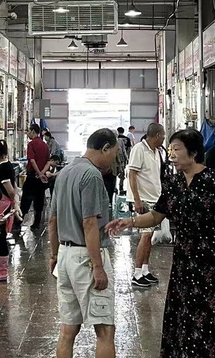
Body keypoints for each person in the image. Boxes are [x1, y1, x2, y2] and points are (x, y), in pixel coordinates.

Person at [107, 129, 215, 358]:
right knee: (182, 320)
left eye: (176, 149)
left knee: (206, 323)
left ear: (193, 152)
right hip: (184, 264)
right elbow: (156, 216)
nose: (171, 154)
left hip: (211, 265)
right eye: (170, 149)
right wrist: (129, 221)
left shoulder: (214, 181)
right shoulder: (173, 183)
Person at [49, 128, 121, 358]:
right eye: (114, 153)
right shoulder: (91, 175)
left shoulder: (65, 172)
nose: (114, 158)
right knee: (105, 330)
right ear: (105, 148)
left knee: (68, 329)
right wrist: (98, 266)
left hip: (64, 256)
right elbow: (89, 224)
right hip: (85, 258)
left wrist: (53, 256)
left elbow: (52, 221)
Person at [127, 122, 166, 289]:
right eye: (163, 135)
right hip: (143, 200)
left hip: (154, 199)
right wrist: (136, 200)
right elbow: (132, 175)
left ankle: (144, 269)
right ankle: (136, 273)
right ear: (157, 135)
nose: (164, 138)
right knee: (145, 235)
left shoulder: (157, 152)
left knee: (149, 237)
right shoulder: (139, 150)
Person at [0, 139, 21, 281]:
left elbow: (10, 190)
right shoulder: (6, 165)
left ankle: (1, 271)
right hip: (3, 205)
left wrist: (15, 203)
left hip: (3, 206)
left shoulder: (3, 168)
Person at [20, 123, 50, 232]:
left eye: (28, 131)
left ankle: (18, 222)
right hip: (41, 178)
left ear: (33, 131)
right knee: (39, 200)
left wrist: (37, 173)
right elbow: (48, 162)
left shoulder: (31, 144)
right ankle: (36, 223)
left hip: (33, 176)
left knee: (26, 200)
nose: (27, 133)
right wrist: (42, 173)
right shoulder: (45, 145)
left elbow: (32, 161)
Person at [116, 127, 132, 194]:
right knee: (122, 174)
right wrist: (128, 158)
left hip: (114, 160)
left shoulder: (114, 140)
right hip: (123, 159)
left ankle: (115, 187)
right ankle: (121, 187)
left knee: (114, 174)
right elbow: (127, 150)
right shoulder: (127, 139)